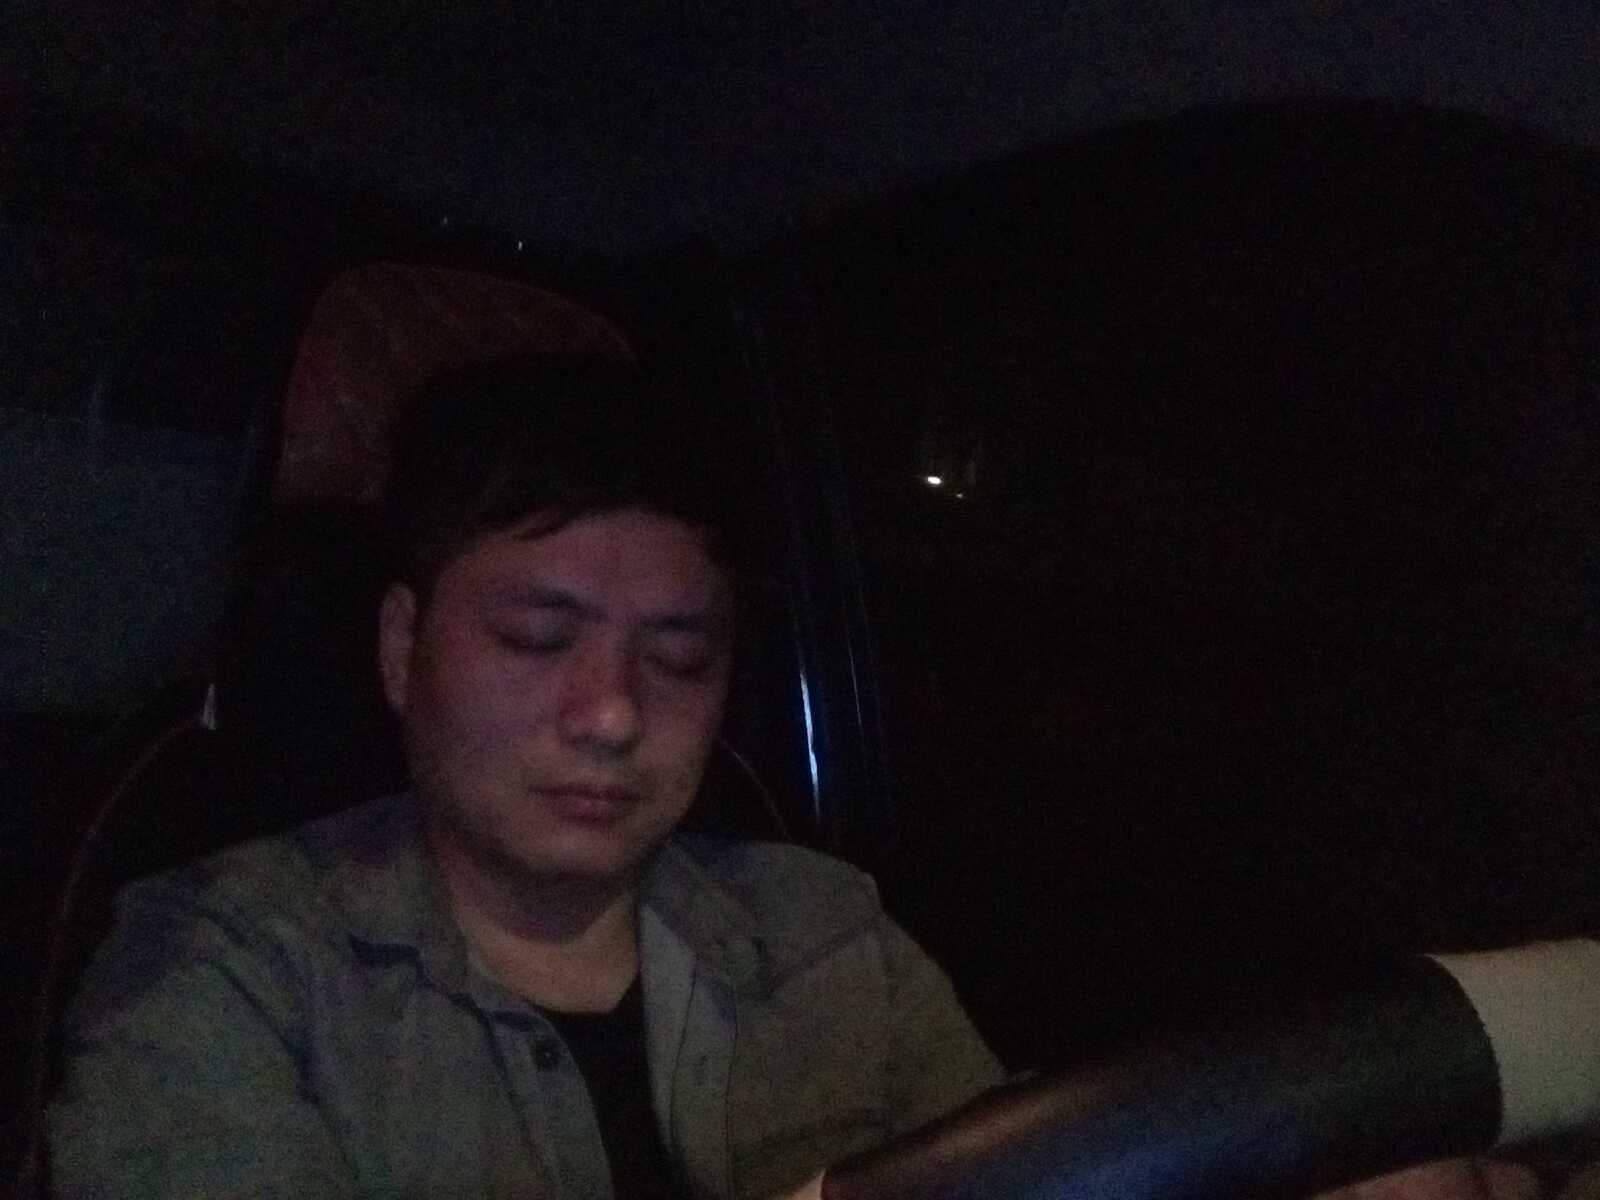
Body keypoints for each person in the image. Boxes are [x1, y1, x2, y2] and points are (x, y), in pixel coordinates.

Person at [45, 355, 1005, 1198]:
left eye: (678, 660)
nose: (612, 715)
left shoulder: (828, 937)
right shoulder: (231, 964)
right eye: (537, 640)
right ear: (403, 646)